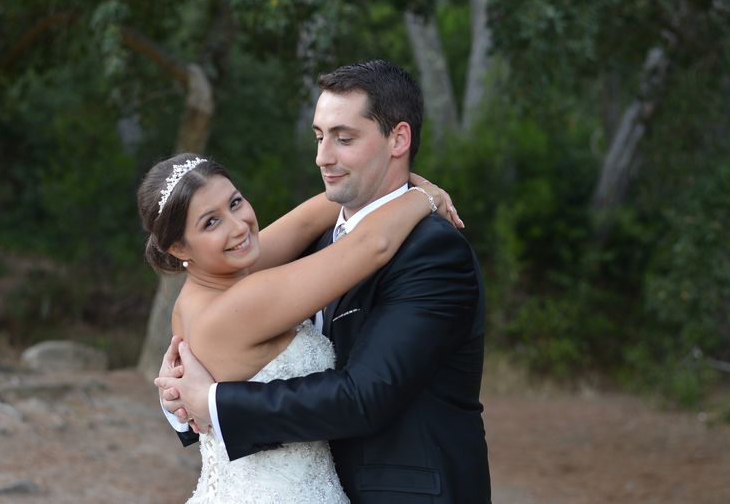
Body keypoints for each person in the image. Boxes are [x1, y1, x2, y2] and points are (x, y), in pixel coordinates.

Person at [156, 59, 491, 503]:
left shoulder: (432, 250)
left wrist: (213, 404)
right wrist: (182, 398)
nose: (322, 157)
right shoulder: (312, 246)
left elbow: (365, 395)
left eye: (343, 138)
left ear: (399, 139)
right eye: (319, 137)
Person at [138, 150, 459, 503]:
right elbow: (373, 245)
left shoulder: (205, 290)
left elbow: (310, 218)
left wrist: (406, 180)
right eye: (210, 222)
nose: (238, 226)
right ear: (178, 247)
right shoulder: (243, 302)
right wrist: (426, 198)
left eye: (235, 202)